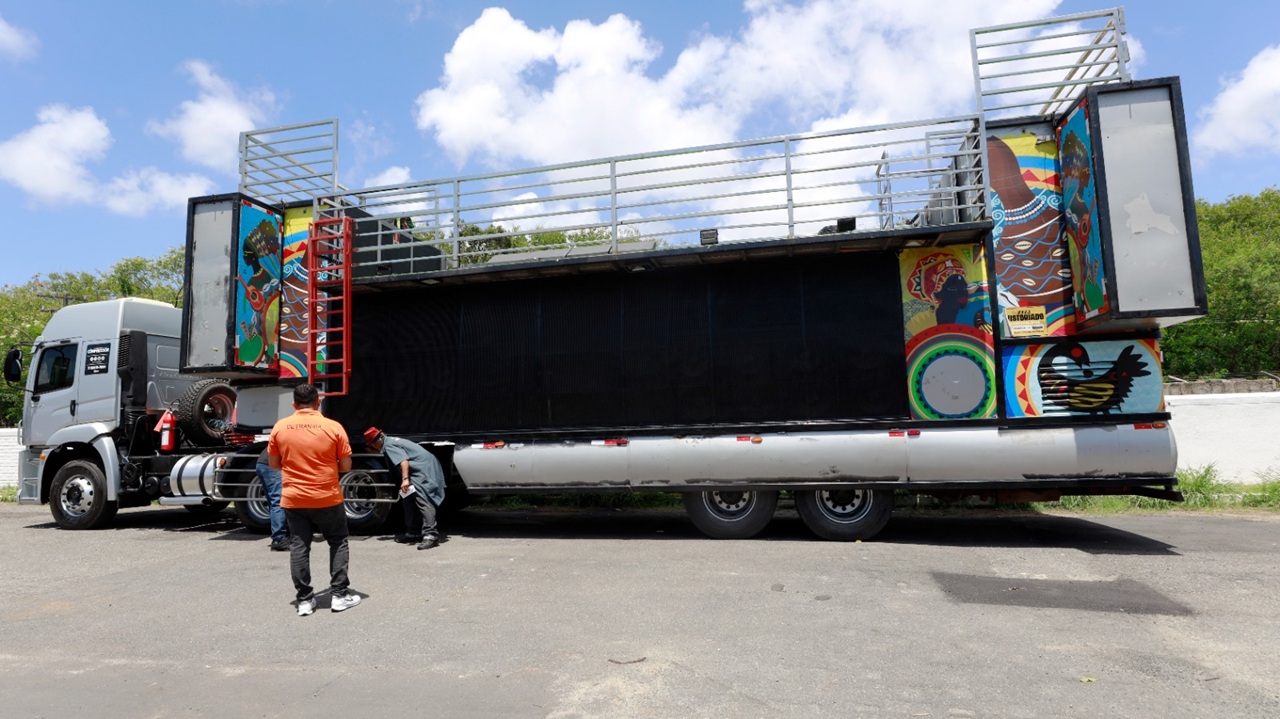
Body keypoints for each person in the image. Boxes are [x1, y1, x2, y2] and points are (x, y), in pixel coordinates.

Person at [268, 383, 360, 616]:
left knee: (299, 547)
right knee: (338, 541)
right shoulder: (333, 427)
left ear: (294, 404)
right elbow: (346, 466)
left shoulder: (280, 427)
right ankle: (339, 595)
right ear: (318, 402)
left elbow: (274, 464)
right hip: (327, 496)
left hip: (294, 498)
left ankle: (305, 601)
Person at [363, 427, 446, 551]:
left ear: (376, 442)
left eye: (371, 445)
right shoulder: (389, 442)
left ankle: (431, 536)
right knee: (408, 500)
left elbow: (403, 461)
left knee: (423, 500)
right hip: (420, 467)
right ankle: (413, 533)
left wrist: (405, 479)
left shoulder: (389, 445)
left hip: (421, 470)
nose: (372, 448)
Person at [255, 447, 289, 551]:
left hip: (262, 463)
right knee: (278, 501)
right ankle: (279, 539)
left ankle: (282, 535)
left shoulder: (287, 432)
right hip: (271, 465)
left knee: (272, 502)